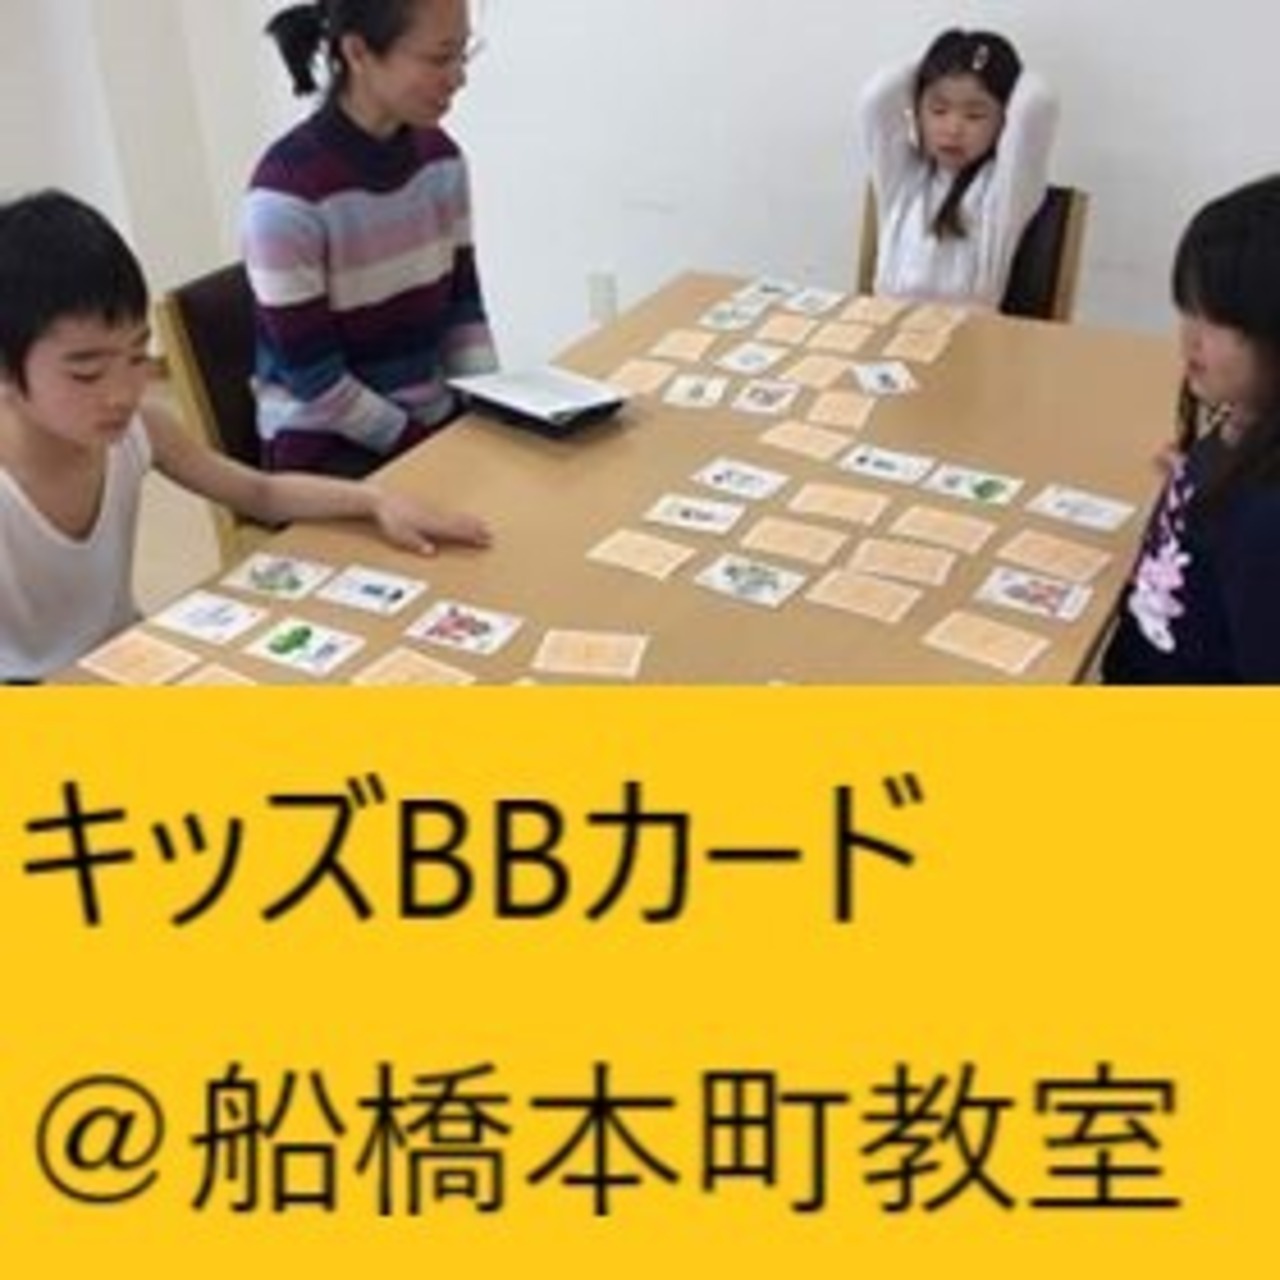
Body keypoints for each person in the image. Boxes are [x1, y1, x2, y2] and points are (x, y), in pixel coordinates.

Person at [0, 190, 491, 683]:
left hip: (124, 664)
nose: (123, 393)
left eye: (137, 356)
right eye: (86, 374)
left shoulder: (141, 430)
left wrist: (375, 500)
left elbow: (261, 492)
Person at [246, 0, 498, 477]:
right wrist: (423, 446)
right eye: (439, 57)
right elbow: (317, 382)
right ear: (358, 52)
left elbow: (463, 311)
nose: (458, 77)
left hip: (428, 425)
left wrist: (491, 409)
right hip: (325, 448)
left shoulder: (441, 161)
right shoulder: (286, 195)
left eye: (463, 54)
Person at [1102, 175, 1280, 684]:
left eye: (1220, 320)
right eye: (1188, 308)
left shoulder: (1266, 524)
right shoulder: (1239, 421)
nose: (1190, 336)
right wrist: (1192, 475)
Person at [857, 29, 1059, 307]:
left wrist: (992, 63)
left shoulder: (1005, 192)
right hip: (888, 323)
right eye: (938, 111)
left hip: (969, 329)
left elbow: (1037, 103)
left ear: (1005, 120)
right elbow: (876, 97)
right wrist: (940, 61)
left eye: (974, 115)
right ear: (916, 111)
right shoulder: (903, 179)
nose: (953, 129)